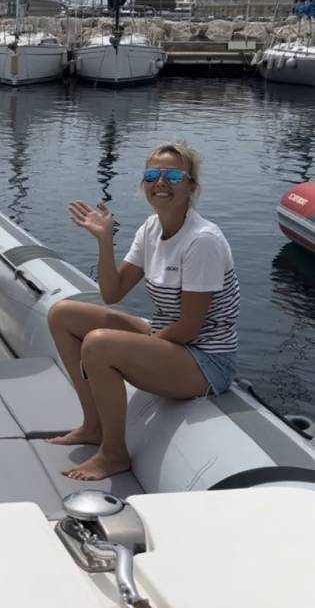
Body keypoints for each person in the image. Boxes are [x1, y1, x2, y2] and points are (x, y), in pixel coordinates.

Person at [47, 142, 239, 482]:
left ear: (191, 186)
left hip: (205, 360)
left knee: (99, 344)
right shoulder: (151, 228)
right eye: (152, 175)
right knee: (62, 314)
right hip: (169, 338)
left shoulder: (202, 241)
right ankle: (93, 425)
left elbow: (190, 328)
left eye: (173, 176)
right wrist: (104, 241)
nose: (160, 182)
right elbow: (112, 293)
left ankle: (113, 453)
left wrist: (133, 349)